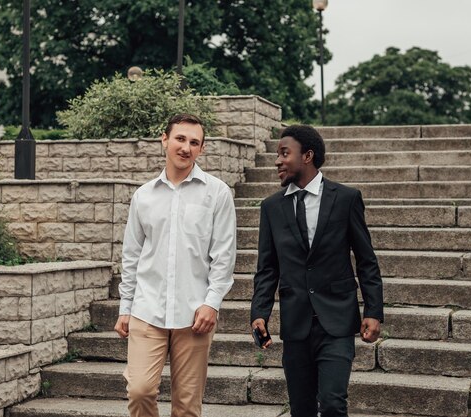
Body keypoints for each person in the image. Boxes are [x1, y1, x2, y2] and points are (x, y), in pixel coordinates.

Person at [250, 124, 384, 417]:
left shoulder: (346, 198)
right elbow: (267, 267)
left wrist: (373, 311)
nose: (277, 161)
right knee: (301, 409)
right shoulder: (271, 207)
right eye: (277, 154)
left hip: (336, 321)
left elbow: (366, 259)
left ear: (307, 155)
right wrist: (259, 313)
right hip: (296, 324)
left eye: (285, 153)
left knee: (334, 404)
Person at [114, 113, 236, 417]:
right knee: (139, 390)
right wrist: (125, 307)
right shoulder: (143, 195)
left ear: (202, 149)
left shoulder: (217, 192)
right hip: (147, 309)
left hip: (194, 314)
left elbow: (223, 254)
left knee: (186, 407)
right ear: (164, 139)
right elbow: (132, 255)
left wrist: (212, 303)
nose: (186, 147)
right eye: (180, 139)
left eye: (194, 142)